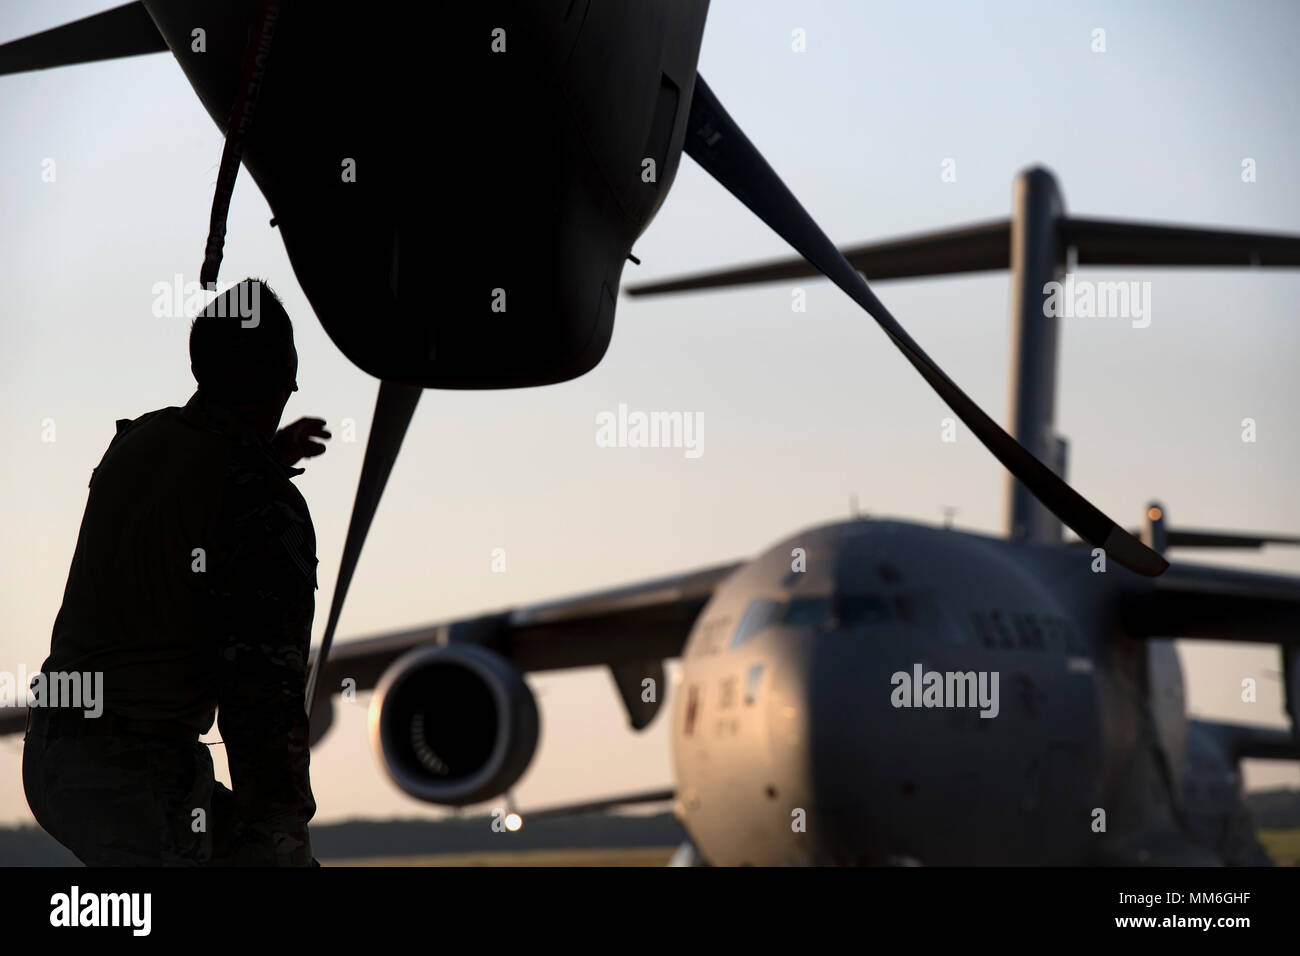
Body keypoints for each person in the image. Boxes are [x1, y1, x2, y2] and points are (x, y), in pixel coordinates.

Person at [22, 278, 330, 865]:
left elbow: (188, 489)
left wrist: (262, 460)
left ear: (200, 368)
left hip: (53, 757)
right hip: (135, 774)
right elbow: (264, 698)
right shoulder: (261, 504)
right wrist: (284, 837)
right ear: (288, 377)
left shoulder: (138, 446)